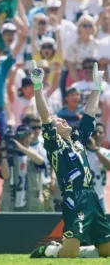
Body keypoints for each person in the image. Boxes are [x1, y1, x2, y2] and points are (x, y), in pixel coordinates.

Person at [30, 60, 110, 259]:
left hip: (92, 196)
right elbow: (45, 115)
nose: (63, 120)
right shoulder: (54, 145)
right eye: (59, 120)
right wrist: (38, 87)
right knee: (69, 254)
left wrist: (97, 87)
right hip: (74, 196)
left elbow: (90, 111)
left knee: (107, 251)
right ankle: (50, 249)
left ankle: (83, 249)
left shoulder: (78, 139)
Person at [0, 125, 46, 212]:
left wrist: (22, 148)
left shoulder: (34, 153)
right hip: (11, 201)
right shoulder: (9, 155)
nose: (24, 139)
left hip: (31, 201)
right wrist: (4, 155)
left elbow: (41, 162)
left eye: (27, 135)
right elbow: (5, 176)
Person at [86, 123, 110, 213]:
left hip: (100, 197)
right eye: (95, 132)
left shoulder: (106, 152)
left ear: (104, 135)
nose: (97, 135)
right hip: (84, 198)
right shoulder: (82, 152)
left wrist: (95, 149)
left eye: (100, 132)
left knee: (104, 226)